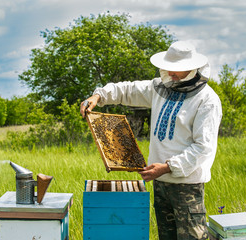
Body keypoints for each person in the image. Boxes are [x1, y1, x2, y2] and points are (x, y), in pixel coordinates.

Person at [80, 41, 222, 240]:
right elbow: (127, 90)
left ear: (192, 69)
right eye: (170, 69)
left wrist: (167, 166)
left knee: (193, 238)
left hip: (186, 186)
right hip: (160, 183)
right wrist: (98, 96)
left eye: (178, 70)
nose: (172, 74)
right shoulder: (160, 89)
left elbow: (203, 147)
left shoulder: (207, 100)